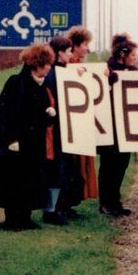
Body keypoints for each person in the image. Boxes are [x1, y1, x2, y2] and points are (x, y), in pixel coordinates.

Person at [0, 43, 58, 229]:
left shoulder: (42, 85)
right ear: (37, 64)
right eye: (46, 64)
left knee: (31, 179)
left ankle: (26, 216)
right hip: (18, 140)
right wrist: (11, 139)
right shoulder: (16, 82)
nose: (49, 68)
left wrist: (49, 114)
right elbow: (6, 112)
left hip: (34, 141)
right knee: (15, 179)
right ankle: (13, 219)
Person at [97, 35, 138, 216]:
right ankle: (105, 202)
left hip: (126, 127)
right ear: (123, 55)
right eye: (133, 54)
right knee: (109, 164)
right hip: (109, 126)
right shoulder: (107, 71)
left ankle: (115, 200)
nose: (135, 57)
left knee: (122, 164)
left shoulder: (133, 71)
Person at [46, 35, 83, 219]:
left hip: (66, 126)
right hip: (58, 127)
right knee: (58, 168)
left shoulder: (65, 70)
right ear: (60, 53)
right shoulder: (53, 73)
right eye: (68, 51)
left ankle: (64, 204)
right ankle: (53, 208)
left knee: (67, 168)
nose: (71, 55)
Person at [65, 26, 101, 205]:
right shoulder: (69, 66)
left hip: (81, 121)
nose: (87, 48)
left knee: (80, 163)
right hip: (73, 123)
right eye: (85, 44)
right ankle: (66, 201)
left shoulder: (79, 65)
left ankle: (74, 200)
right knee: (73, 164)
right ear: (76, 45)